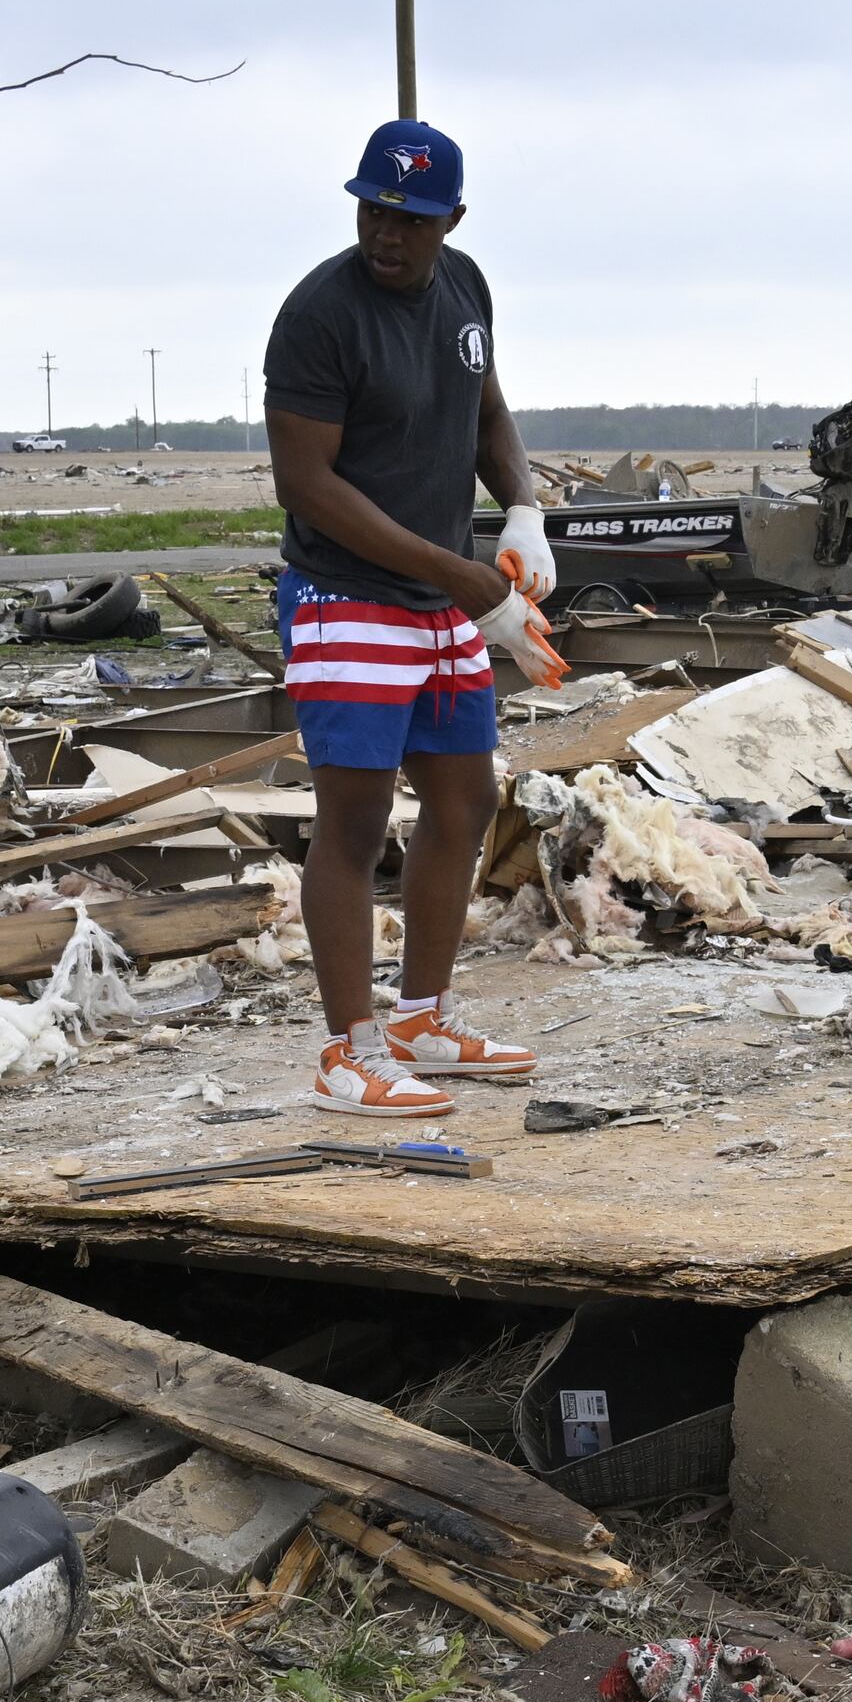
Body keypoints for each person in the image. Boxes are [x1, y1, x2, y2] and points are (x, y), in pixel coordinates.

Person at [260, 116, 563, 1118]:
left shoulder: (465, 287)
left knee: (465, 799)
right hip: (348, 594)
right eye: (373, 211)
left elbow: (485, 412)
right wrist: (462, 574)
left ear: (451, 221)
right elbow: (307, 483)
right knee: (351, 821)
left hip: (439, 597)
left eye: (411, 220)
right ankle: (347, 1053)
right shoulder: (319, 315)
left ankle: (419, 1019)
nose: (387, 235)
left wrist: (521, 505)